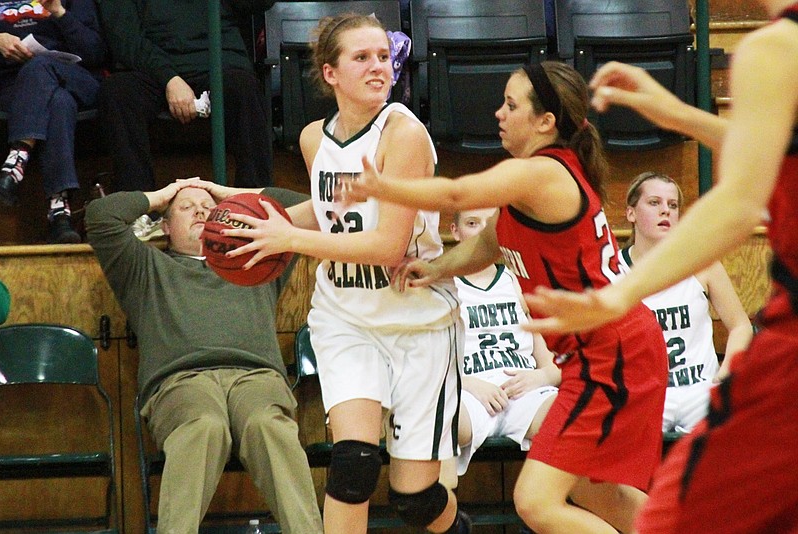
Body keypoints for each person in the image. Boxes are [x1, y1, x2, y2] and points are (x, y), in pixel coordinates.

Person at [335, 60, 669, 534]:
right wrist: (434, 269)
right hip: (605, 353)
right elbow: (489, 243)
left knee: (534, 501)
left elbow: (456, 193)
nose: (499, 113)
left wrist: (382, 186)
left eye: (511, 105)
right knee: (592, 488)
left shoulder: (542, 174)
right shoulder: (534, 181)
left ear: (545, 122)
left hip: (614, 353)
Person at [519, 1, 798, 531]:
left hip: (774, 356)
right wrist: (677, 116)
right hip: (672, 388)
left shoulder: (777, 47)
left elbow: (738, 201)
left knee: (672, 520)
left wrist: (616, 297)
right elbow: (773, 147)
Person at [219, 13, 470, 534]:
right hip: (346, 317)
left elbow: (386, 245)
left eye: (383, 56)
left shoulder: (403, 134)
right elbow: (328, 208)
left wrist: (289, 240)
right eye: (362, 58)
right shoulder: (315, 138)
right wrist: (265, 224)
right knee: (353, 466)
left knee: (415, 499)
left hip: (418, 323)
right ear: (330, 73)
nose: (378, 67)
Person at [84, 178, 323, 534]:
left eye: (208, 208)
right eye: (186, 207)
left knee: (269, 427)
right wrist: (162, 196)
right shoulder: (143, 268)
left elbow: (314, 210)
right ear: (165, 226)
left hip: (255, 377)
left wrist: (234, 197)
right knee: (204, 426)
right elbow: (101, 216)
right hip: (181, 381)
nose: (199, 210)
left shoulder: (256, 257)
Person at [97, 0, 274, 237]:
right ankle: (139, 213)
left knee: (245, 90)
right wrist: (170, 78)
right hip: (152, 65)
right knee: (117, 92)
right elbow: (125, 38)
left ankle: (251, 212)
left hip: (220, 61)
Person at [618, 171, 752, 433]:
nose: (665, 211)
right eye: (654, 203)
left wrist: (726, 373)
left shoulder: (702, 263)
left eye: (673, 205)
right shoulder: (611, 270)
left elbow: (740, 325)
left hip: (700, 388)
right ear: (631, 213)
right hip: (644, 393)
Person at [437, 208, 559, 491]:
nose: (481, 231)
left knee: (576, 416)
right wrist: (465, 383)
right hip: (468, 392)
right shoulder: (443, 284)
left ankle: (547, 510)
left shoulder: (517, 281)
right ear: (454, 232)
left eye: (488, 224)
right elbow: (426, 367)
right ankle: (444, 513)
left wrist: (539, 378)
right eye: (471, 223)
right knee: (434, 416)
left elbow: (555, 366)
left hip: (524, 390)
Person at [0, 0, 107, 243]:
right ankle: (59, 214)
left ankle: (18, 157)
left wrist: (59, 12)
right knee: (58, 102)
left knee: (41, 67)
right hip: (13, 87)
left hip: (76, 77)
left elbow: (95, 53)